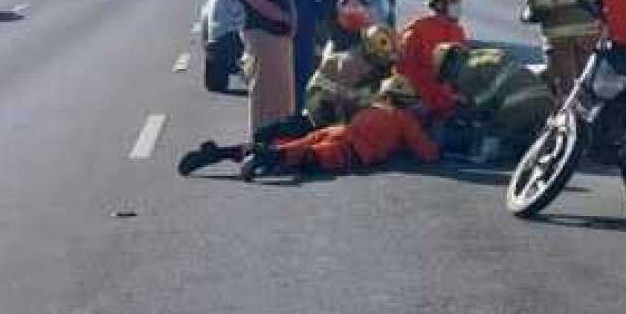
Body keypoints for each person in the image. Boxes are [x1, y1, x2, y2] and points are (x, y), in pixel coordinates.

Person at [182, 74, 439, 180]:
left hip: (336, 130)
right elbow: (427, 154)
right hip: (346, 148)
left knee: (290, 145)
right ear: (404, 100)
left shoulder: (373, 106)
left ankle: (220, 152)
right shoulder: (404, 119)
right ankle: (262, 157)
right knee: (300, 157)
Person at [219, 0, 295, 132]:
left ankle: (281, 135)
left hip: (280, 35)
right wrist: (285, 17)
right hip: (261, 35)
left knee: (282, 90)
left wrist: (292, 18)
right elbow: (259, 3)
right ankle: (261, 136)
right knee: (264, 89)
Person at [396, 0, 470, 119]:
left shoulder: (457, 31)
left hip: (448, 102)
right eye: (454, 1)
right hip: (423, 105)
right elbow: (403, 70)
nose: (458, 5)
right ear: (439, 5)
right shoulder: (416, 31)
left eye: (457, 0)